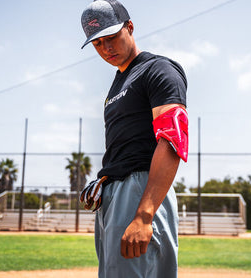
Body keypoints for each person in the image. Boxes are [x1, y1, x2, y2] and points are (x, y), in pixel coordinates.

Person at [79, 1, 188, 277]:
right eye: (98, 43)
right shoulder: (118, 82)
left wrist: (144, 214)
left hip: (141, 189)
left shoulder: (158, 69)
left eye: (112, 37)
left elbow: (173, 140)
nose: (106, 48)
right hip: (115, 195)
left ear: (130, 27)